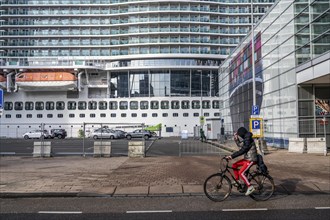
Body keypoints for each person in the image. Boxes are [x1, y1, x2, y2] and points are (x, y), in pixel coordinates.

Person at [225, 127, 257, 196]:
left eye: (239, 135)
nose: (239, 136)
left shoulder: (248, 139)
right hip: (247, 158)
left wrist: (232, 156)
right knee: (234, 165)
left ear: (242, 134)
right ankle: (237, 181)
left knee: (241, 173)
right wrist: (236, 139)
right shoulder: (246, 138)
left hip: (251, 159)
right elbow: (240, 145)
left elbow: (242, 150)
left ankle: (250, 187)